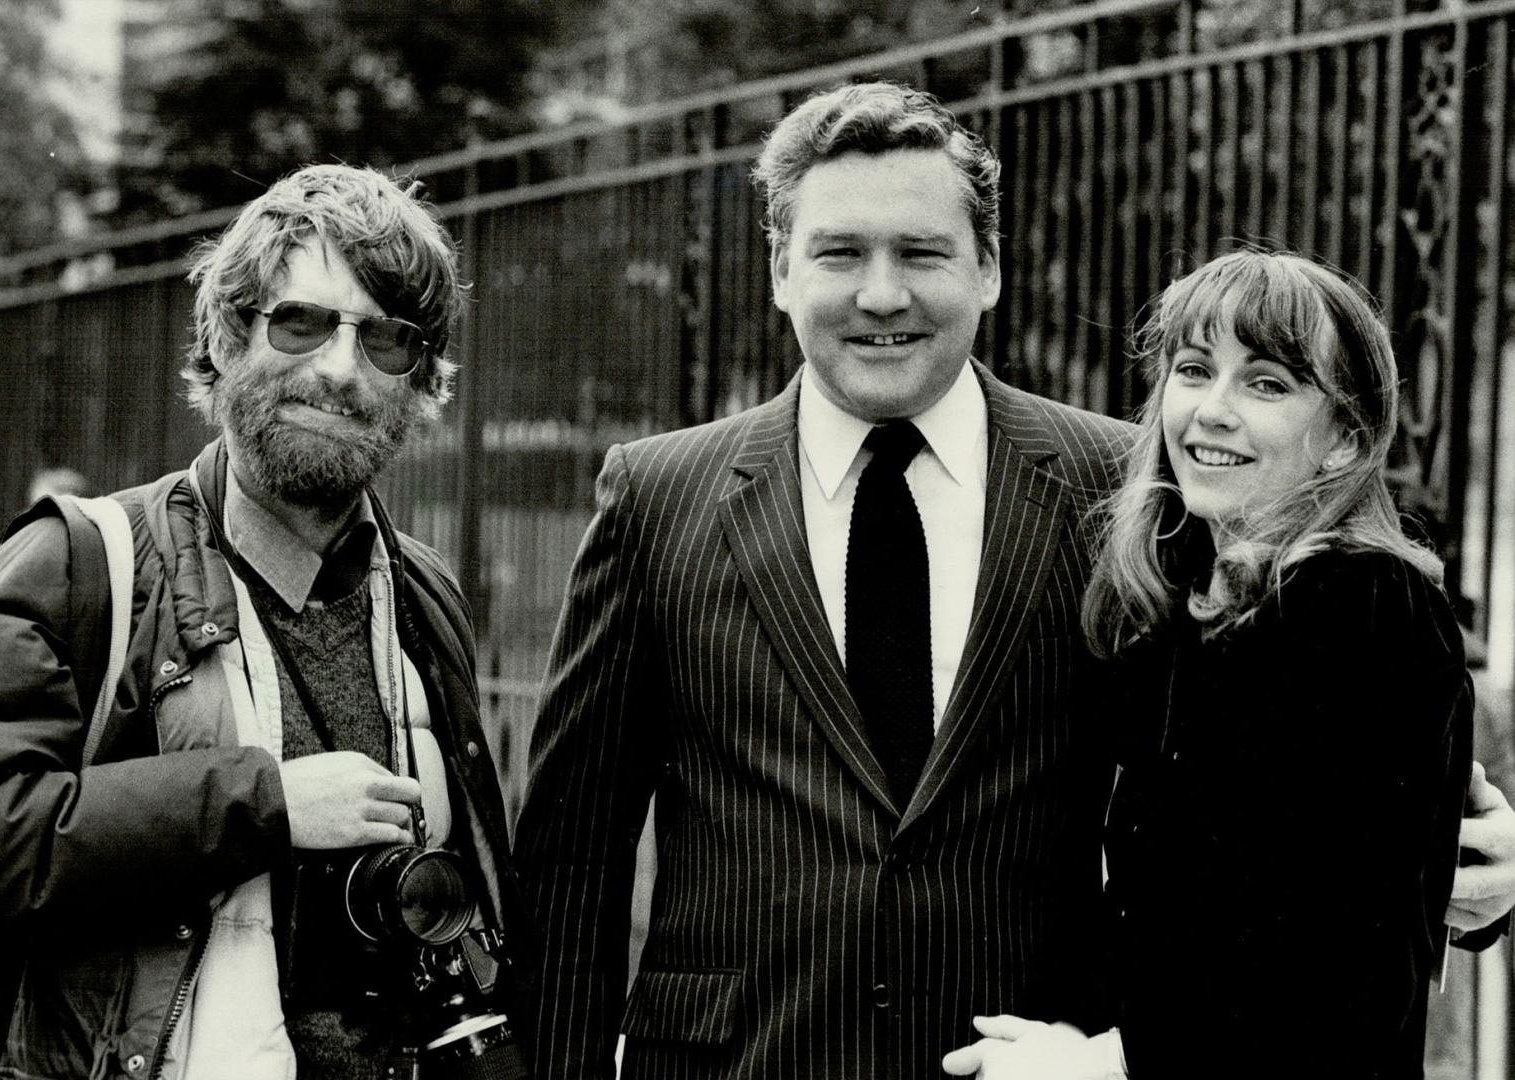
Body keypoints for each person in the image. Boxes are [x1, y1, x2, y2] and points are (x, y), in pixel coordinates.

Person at [513, 82, 1515, 1080]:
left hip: (1033, 1058)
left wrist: (1481, 872)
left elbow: (1306, 778)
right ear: (780, 270)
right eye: (839, 253)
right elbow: (571, 858)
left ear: (987, 269)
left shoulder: (1133, 491)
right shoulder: (656, 495)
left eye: (920, 252)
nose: (880, 293)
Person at [0, 164, 523, 1080]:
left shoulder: (424, 592)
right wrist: (265, 804)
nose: (338, 367)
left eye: (386, 340)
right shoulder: (81, 564)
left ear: (421, 383)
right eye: (301, 321)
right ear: (226, 335)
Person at [940, 251, 1478, 1079]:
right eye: (1194, 371)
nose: (1211, 411)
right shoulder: (1186, 614)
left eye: (1267, 384)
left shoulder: (1366, 606)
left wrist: (1111, 1062)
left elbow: (1346, 966)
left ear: (1345, 438)